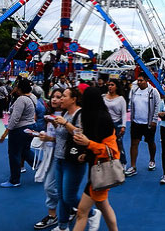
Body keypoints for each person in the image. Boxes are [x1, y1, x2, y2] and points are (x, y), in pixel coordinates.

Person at [52, 87, 102, 231]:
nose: (60, 99)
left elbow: (80, 135)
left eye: (64, 96)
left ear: (73, 99)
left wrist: (65, 124)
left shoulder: (80, 114)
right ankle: (62, 226)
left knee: (69, 196)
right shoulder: (65, 113)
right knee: (60, 195)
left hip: (73, 160)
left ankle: (92, 213)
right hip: (59, 158)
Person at [0, 78, 38, 187]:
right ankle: (40, 166)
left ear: (19, 88)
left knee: (14, 153)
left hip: (20, 129)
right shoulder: (33, 97)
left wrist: (6, 132)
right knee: (25, 150)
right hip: (30, 126)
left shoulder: (21, 99)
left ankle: (14, 180)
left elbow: (15, 118)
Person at [33, 90, 62, 230]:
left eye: (59, 97)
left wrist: (50, 136)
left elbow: (66, 139)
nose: (54, 100)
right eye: (53, 97)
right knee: (53, 186)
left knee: (50, 186)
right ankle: (53, 215)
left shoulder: (68, 116)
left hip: (61, 155)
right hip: (50, 153)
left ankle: (69, 207)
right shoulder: (50, 114)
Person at [125, 74, 161, 176]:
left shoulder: (153, 91)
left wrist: (154, 120)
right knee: (134, 143)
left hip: (148, 123)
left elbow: (157, 105)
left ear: (146, 80)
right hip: (136, 122)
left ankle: (152, 160)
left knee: (150, 142)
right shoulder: (134, 91)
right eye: (138, 81)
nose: (139, 82)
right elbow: (132, 105)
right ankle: (133, 166)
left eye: (141, 80)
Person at [103, 81, 127, 166]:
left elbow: (124, 114)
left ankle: (123, 163)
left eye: (112, 85)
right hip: (106, 124)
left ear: (116, 87)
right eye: (108, 85)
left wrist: (123, 126)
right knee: (106, 144)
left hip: (117, 124)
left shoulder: (121, 99)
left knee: (118, 144)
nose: (110, 87)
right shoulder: (103, 97)